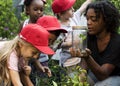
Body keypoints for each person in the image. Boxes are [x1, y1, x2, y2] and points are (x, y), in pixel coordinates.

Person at [70, 0, 120, 85]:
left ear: (106, 20)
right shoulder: (89, 37)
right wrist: (80, 81)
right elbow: (83, 65)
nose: (88, 23)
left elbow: (103, 75)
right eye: (87, 19)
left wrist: (87, 57)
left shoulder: (116, 42)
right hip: (97, 73)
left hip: (115, 77)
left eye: (93, 19)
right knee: (74, 78)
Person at [51, 0, 92, 67]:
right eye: (69, 9)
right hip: (68, 61)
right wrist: (68, 43)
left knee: (81, 75)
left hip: (80, 57)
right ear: (60, 14)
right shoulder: (59, 28)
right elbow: (55, 46)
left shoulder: (74, 17)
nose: (73, 9)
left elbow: (83, 7)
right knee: (72, 76)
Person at [28, 15, 67, 85]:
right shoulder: (28, 46)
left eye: (52, 41)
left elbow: (34, 59)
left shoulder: (39, 46)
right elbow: (22, 72)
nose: (49, 44)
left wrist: (40, 67)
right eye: (49, 40)